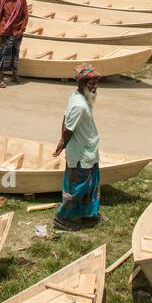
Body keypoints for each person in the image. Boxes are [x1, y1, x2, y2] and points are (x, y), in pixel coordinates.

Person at [52, 64, 103, 231]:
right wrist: (63, 143)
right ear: (81, 84)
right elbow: (68, 128)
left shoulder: (77, 96)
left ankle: (89, 214)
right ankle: (61, 218)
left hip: (88, 150)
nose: (94, 87)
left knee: (91, 184)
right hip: (81, 153)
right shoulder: (79, 105)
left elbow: (65, 117)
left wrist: (61, 141)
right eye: (91, 83)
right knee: (78, 187)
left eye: (96, 82)